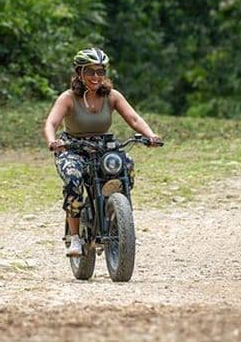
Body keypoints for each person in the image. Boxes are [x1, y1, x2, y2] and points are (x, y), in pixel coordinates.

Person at [43, 47, 162, 257]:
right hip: (73, 147)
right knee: (73, 179)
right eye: (90, 71)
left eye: (100, 71)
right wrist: (53, 142)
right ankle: (75, 238)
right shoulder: (68, 98)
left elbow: (134, 119)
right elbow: (51, 123)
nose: (96, 77)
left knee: (126, 165)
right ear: (79, 73)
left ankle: (117, 217)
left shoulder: (112, 96)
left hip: (102, 145)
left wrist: (150, 135)